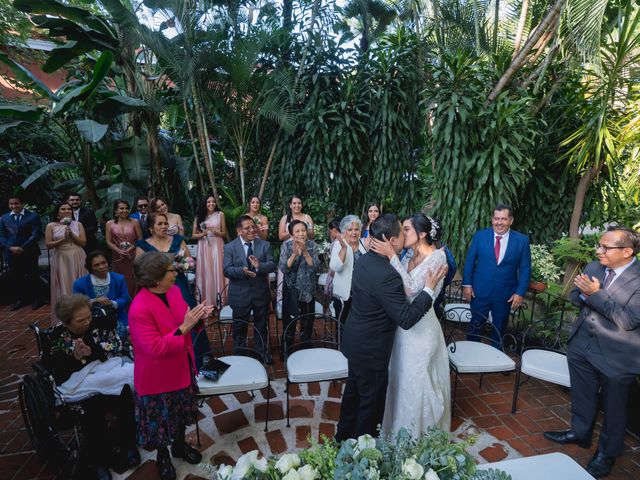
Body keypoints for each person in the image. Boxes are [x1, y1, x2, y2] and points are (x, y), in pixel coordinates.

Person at [335, 213, 447, 442]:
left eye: (408, 229)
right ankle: (360, 450)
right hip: (373, 348)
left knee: (354, 394)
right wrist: (427, 290)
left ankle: (342, 437)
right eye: (402, 231)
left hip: (357, 341)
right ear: (391, 240)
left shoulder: (365, 260)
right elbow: (405, 318)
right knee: (370, 404)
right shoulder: (387, 272)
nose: (404, 234)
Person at [544, 226, 640, 479]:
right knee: (583, 395)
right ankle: (580, 433)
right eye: (599, 245)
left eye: (605, 247)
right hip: (582, 346)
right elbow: (575, 297)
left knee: (615, 407)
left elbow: (628, 320)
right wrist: (587, 296)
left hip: (618, 356)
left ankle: (607, 453)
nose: (598, 251)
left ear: (627, 251)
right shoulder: (594, 267)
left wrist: (596, 295)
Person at [128, 252, 213, 480]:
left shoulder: (174, 291)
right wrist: (185, 327)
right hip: (157, 377)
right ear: (156, 279)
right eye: (170, 271)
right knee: (160, 420)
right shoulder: (139, 308)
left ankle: (179, 446)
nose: (176, 273)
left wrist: (199, 317)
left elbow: (186, 319)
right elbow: (154, 348)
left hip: (181, 366)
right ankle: (162, 456)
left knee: (180, 412)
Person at [371, 214, 451, 436]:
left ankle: (418, 437)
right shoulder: (406, 257)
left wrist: (391, 256)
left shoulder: (437, 258)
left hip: (423, 330)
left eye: (406, 229)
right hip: (403, 328)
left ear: (422, 234)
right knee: (401, 379)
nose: (401, 234)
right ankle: (396, 431)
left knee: (417, 381)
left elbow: (411, 289)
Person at [46, 294, 138, 479]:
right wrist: (74, 358)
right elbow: (54, 367)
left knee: (125, 393)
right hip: (80, 380)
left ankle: (129, 444)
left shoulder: (100, 322)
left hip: (105, 370)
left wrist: (93, 351)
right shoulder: (57, 335)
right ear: (66, 322)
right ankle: (99, 458)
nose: (87, 321)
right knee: (91, 407)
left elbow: (116, 344)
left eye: (88, 316)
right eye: (81, 320)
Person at [135, 213, 211, 369]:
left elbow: (190, 261)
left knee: (189, 316)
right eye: (160, 224)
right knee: (165, 322)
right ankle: (175, 355)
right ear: (150, 228)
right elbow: (140, 270)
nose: (164, 227)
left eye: (165, 223)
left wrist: (182, 265)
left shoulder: (177, 240)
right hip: (156, 290)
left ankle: (198, 358)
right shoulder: (143, 246)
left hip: (179, 285)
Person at [462, 204, 531, 345]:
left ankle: (495, 358)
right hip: (479, 292)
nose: (499, 222)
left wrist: (520, 293)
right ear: (492, 219)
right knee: (474, 327)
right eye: (496, 218)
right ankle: (470, 355)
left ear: (511, 220)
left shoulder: (522, 241)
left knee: (499, 331)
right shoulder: (480, 236)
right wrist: (467, 284)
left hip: (505, 294)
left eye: (504, 219)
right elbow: (469, 262)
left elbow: (525, 269)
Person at [223, 215, 276, 363]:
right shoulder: (230, 247)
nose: (252, 230)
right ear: (239, 231)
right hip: (240, 294)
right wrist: (242, 271)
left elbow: (272, 264)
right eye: (247, 228)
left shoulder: (264, 245)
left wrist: (260, 266)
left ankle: (262, 353)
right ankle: (240, 356)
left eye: (253, 226)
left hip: (260, 292)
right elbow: (226, 270)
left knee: (261, 325)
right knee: (239, 327)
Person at [279, 219, 321, 358]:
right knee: (289, 321)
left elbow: (315, 266)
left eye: (303, 230)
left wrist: (305, 252)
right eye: (297, 231)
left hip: (308, 290)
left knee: (307, 321)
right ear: (292, 233)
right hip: (291, 290)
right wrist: (295, 253)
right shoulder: (286, 246)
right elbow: (284, 268)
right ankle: (287, 350)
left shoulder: (313, 245)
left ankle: (305, 351)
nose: (301, 234)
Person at [73, 251, 132, 342]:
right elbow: (76, 305)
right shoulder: (80, 283)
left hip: (118, 318)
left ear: (108, 263)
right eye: (96, 265)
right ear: (90, 268)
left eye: (104, 263)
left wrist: (112, 303)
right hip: (91, 320)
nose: (101, 267)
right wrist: (94, 301)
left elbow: (125, 298)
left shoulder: (119, 279)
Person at [46, 202, 87, 325]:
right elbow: (48, 244)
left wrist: (72, 235)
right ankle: (66, 318)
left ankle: (83, 313)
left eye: (68, 209)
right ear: (58, 213)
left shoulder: (78, 224)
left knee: (79, 282)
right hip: (62, 257)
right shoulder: (51, 225)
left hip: (77, 255)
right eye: (63, 209)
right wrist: (63, 239)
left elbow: (83, 242)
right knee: (64, 284)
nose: (66, 211)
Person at [0, 195, 44, 310]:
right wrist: (11, 247)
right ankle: (21, 299)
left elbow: (35, 234)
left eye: (16, 203)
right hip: (11, 253)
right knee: (16, 277)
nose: (14, 206)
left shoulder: (33, 216)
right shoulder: (4, 218)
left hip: (29, 251)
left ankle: (37, 299)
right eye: (11, 204)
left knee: (32, 275)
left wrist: (22, 248)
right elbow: (2, 236)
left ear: (22, 203)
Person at [329, 215, 367, 325]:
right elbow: (335, 267)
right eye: (350, 230)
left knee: (359, 325)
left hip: (361, 294)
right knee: (342, 326)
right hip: (343, 295)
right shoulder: (338, 245)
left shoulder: (364, 244)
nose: (354, 233)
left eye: (356, 229)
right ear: (344, 231)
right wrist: (344, 248)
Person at [191, 195, 227, 305]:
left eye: (213, 202)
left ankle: (219, 300)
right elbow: (193, 235)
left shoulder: (220, 215)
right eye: (208, 202)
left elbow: (224, 233)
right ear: (204, 203)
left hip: (217, 244)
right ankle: (206, 302)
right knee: (206, 271)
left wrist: (218, 233)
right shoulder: (199, 217)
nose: (211, 204)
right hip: (204, 246)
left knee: (218, 270)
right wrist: (203, 234)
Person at [105, 199, 142, 298]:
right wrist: (119, 250)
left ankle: (134, 303)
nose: (124, 210)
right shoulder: (109, 223)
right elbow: (108, 241)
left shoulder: (135, 222)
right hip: (118, 257)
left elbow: (140, 239)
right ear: (116, 211)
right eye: (121, 208)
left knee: (133, 280)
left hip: (133, 256)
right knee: (120, 280)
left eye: (126, 208)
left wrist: (130, 249)